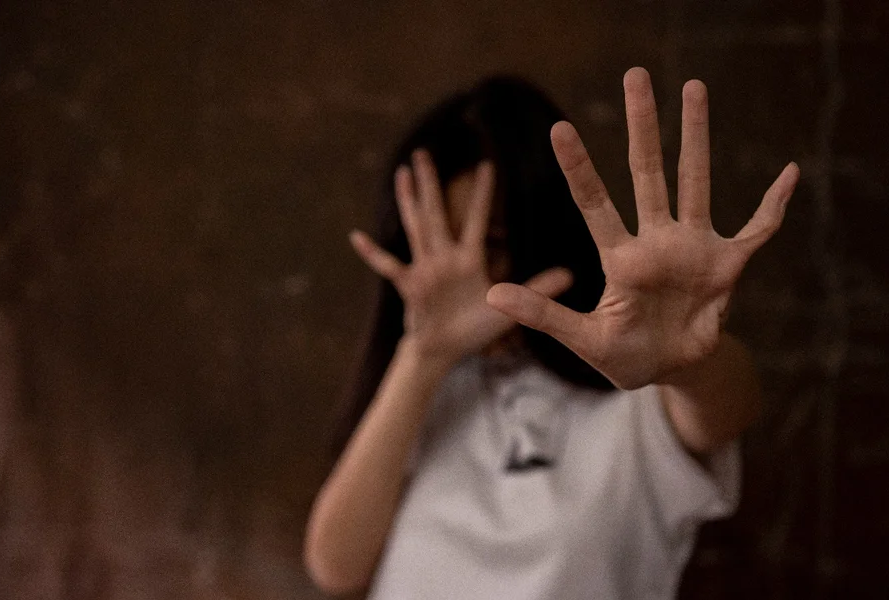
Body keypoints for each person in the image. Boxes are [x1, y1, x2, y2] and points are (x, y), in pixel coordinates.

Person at [304, 67, 799, 599]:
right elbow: (336, 566)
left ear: (541, 233)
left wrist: (691, 362)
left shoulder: (634, 389)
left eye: (490, 243)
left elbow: (726, 409)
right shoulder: (426, 399)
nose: (458, 273)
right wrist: (424, 354)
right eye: (436, 243)